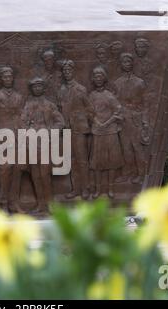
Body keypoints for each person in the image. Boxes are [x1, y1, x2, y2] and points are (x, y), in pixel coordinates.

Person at [10, 77, 65, 213]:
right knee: (36, 176)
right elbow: (22, 122)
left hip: (46, 144)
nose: (37, 89)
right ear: (32, 89)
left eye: (40, 86)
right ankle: (41, 204)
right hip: (32, 145)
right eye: (35, 87)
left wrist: (49, 132)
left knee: (45, 175)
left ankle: (51, 204)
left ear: (44, 88)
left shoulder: (50, 105)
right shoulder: (27, 105)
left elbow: (60, 122)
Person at [0, 67, 25, 210]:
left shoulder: (19, 97)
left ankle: (14, 202)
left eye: (10, 76)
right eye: (5, 77)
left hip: (17, 138)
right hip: (2, 138)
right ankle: (3, 203)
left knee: (17, 171)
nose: (8, 79)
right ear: (1, 79)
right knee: (4, 171)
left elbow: (23, 118)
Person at [88, 66, 124, 198]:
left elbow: (118, 111)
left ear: (104, 78)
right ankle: (97, 190)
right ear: (93, 79)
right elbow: (88, 112)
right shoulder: (91, 96)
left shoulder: (110, 96)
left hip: (110, 132)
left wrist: (107, 123)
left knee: (111, 162)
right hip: (97, 132)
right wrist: (96, 122)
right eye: (96, 76)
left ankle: (110, 189)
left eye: (100, 76)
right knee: (97, 163)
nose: (98, 79)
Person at [57, 60, 91, 200]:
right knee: (71, 160)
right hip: (67, 129)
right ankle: (75, 189)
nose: (67, 73)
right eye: (64, 71)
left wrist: (86, 123)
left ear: (73, 71)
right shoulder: (61, 90)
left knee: (82, 160)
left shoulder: (81, 89)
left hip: (79, 129)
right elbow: (59, 109)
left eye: (69, 71)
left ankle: (86, 189)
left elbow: (89, 108)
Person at [114, 53, 150, 184]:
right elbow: (115, 103)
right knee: (126, 149)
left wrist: (145, 121)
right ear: (121, 65)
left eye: (128, 62)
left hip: (136, 120)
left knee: (138, 149)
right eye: (124, 62)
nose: (126, 64)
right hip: (123, 120)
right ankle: (128, 174)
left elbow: (146, 104)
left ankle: (142, 174)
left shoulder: (140, 82)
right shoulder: (117, 83)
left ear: (132, 64)